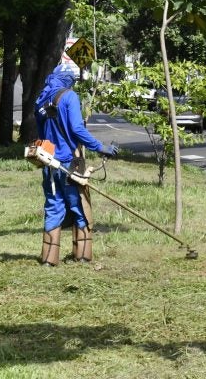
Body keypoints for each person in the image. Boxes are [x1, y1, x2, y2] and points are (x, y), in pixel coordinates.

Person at [35, 64, 118, 266]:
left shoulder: (41, 99)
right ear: (68, 81)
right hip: (70, 164)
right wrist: (100, 147)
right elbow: (77, 129)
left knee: (53, 207)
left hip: (48, 162)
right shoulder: (69, 97)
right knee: (79, 205)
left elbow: (41, 133)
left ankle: (48, 259)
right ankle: (82, 256)